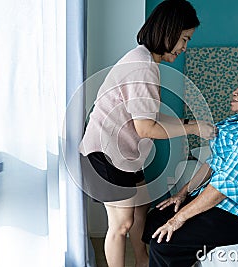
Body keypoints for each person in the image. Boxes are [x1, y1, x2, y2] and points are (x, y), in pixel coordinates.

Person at [79, 1, 216, 266]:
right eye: (184, 39)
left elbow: (147, 116)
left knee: (142, 207)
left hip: (125, 155)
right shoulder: (143, 67)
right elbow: (146, 129)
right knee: (122, 224)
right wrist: (194, 128)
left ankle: (142, 261)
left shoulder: (144, 60)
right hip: (105, 155)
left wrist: (188, 121)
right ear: (168, 32)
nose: (184, 48)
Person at [142, 63, 238, 267]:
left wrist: (178, 220)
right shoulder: (237, 123)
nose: (235, 91)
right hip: (225, 205)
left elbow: (224, 186)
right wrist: (182, 193)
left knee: (166, 243)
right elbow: (215, 162)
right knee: (154, 220)